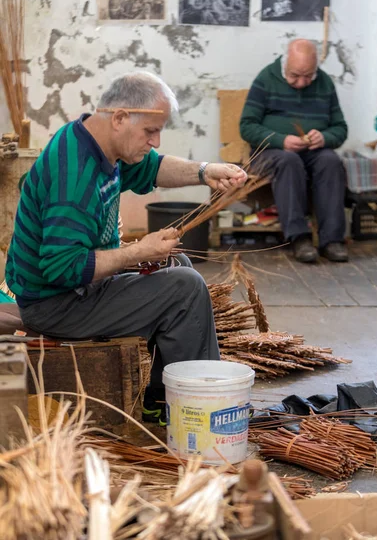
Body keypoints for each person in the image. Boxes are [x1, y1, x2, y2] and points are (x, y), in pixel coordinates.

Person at [6, 72, 247, 425]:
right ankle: (194, 410)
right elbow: (62, 268)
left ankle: (160, 398)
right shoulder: (75, 176)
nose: (156, 140)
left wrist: (205, 171)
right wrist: (137, 252)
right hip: (55, 304)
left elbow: (153, 167)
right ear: (119, 118)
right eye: (150, 131)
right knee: (186, 288)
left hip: (74, 289)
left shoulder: (102, 144)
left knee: (175, 263)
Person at [240, 39, 348, 263]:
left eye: (308, 76)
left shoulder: (325, 82)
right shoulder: (266, 78)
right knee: (289, 161)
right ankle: (299, 238)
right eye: (294, 75)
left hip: (312, 152)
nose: (301, 83)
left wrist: (325, 137)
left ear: (316, 67)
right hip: (269, 153)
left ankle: (332, 240)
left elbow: (340, 128)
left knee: (331, 161)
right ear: (285, 62)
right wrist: (282, 140)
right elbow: (247, 126)